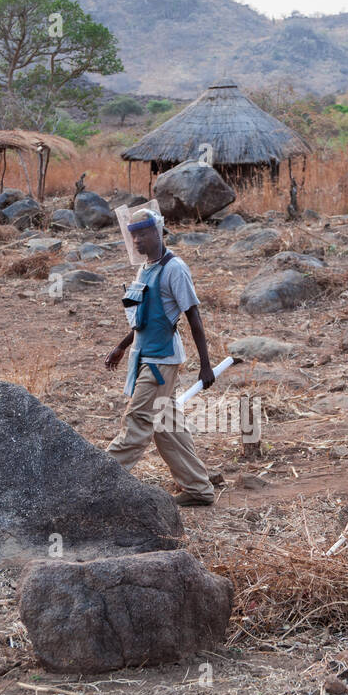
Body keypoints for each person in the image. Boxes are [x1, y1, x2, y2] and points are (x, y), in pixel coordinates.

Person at [104, 208, 216, 506]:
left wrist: (206, 366)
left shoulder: (174, 269)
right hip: (146, 355)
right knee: (167, 427)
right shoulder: (146, 268)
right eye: (134, 235)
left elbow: (193, 318)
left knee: (138, 420)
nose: (138, 240)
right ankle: (198, 489)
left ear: (158, 232)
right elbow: (144, 318)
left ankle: (98, 483)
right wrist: (123, 345)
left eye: (143, 233)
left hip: (161, 360)